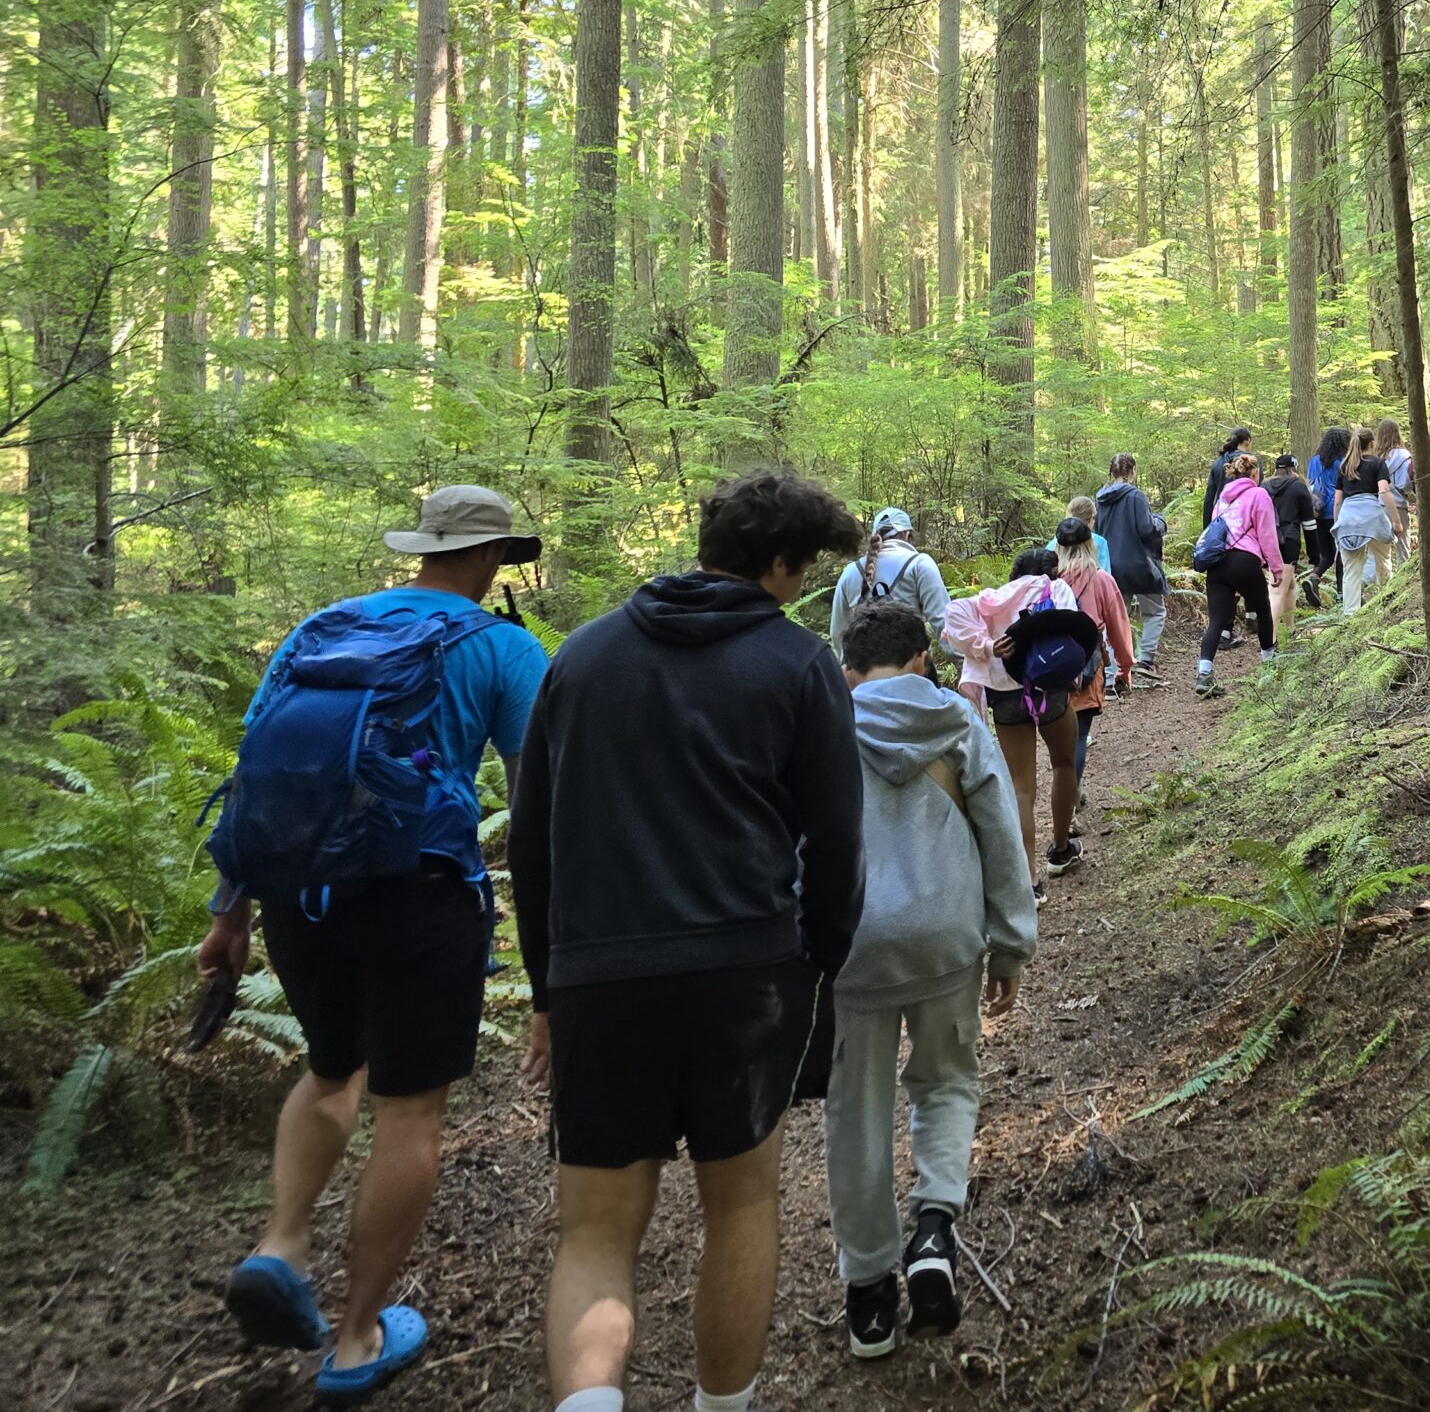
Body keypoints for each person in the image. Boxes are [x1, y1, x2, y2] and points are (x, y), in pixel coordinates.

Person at [514, 470, 867, 1412]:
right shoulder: (796, 665)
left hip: (599, 972)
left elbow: (533, 835)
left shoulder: (582, 657)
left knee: (593, 1233)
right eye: (804, 568)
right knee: (743, 1202)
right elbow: (837, 837)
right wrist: (822, 959)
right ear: (784, 564)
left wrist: (547, 988)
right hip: (747, 972)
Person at [200, 487, 550, 1400]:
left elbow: (253, 777)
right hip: (422, 900)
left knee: (328, 1069)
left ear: (424, 549)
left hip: (299, 895)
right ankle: (356, 1338)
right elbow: (539, 798)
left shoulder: (321, 629)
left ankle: (281, 1243)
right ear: (489, 559)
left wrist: (227, 911)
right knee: (410, 1110)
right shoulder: (504, 648)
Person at [827, 603, 1038, 1360]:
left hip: (852, 951)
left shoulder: (820, 723)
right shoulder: (957, 720)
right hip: (948, 940)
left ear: (849, 667)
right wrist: (1010, 942)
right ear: (923, 656)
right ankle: (934, 1230)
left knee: (856, 1112)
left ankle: (869, 1292)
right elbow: (1000, 835)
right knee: (947, 1083)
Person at [944, 550, 1091, 889]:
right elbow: (1072, 629)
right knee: (1064, 764)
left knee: (1021, 788)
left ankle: (1030, 881)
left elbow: (951, 613)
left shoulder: (991, 598)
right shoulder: (1054, 588)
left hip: (1004, 694)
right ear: (1049, 571)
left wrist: (986, 645)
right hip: (1047, 689)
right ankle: (1060, 850)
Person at [1050, 517, 1135, 794]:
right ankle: (1070, 801)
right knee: (1078, 736)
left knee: (1058, 740)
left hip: (1048, 669)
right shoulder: (1101, 579)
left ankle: (1065, 796)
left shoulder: (1048, 579)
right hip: (1086, 667)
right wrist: (1124, 668)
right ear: (1090, 544)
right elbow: (1120, 630)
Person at [1194, 450, 1284, 700]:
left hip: (1218, 563)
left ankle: (1204, 673)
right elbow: (1267, 535)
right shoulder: (1259, 494)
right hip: (1244, 560)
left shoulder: (1223, 499)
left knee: (1217, 620)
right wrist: (1276, 569)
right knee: (1263, 609)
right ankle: (1269, 664)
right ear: (1255, 473)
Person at [829, 507, 950, 662]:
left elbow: (837, 632)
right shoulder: (920, 564)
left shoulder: (850, 572)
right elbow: (944, 623)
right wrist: (965, 665)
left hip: (864, 675)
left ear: (876, 536)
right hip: (913, 670)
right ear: (907, 534)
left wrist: (849, 667)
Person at [1092, 454, 1168, 679]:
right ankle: (1145, 660)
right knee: (1154, 611)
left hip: (1112, 566)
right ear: (1132, 470)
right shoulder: (1136, 496)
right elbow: (1147, 529)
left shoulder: (1100, 498)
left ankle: (1116, 668)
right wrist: (1160, 522)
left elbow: (1098, 531)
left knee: (1117, 618)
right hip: (1140, 564)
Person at [1334, 428, 1399, 615]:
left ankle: (1350, 615)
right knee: (1384, 562)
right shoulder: (1378, 464)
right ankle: (1387, 605)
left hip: (1348, 519)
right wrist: (1396, 522)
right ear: (1372, 444)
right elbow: (1384, 492)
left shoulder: (1344, 467)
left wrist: (1337, 525)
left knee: (1351, 571)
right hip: (1373, 518)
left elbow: (1338, 501)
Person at [1264, 453, 1318, 632]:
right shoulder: (1298, 487)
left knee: (1289, 585)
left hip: (1266, 541)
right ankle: (1269, 643)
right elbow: (1309, 525)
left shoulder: (1263, 487)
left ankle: (1289, 630)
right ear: (1293, 468)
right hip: (1288, 542)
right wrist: (1314, 555)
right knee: (1277, 591)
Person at [1304, 426, 1351, 613]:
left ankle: (1314, 577)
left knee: (1326, 555)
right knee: (1342, 553)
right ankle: (1342, 593)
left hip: (1317, 512)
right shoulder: (1343, 462)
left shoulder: (1314, 461)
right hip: (1337, 512)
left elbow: (1310, 484)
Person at [1048, 495, 1113, 580]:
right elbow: (1106, 576)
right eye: (1094, 517)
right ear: (1090, 520)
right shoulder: (1099, 542)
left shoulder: (1054, 543)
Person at [1378, 417, 1417, 553]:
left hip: (1380, 505)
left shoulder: (1378, 457)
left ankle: (1383, 574)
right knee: (1403, 549)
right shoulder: (1404, 455)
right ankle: (1403, 574)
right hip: (1399, 505)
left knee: (1382, 551)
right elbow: (1406, 483)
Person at [1203, 425, 1252, 532]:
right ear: (1248, 441)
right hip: (1245, 522)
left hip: (1220, 521)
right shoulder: (1251, 462)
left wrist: (1206, 530)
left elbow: (1209, 499)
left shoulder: (1217, 463)